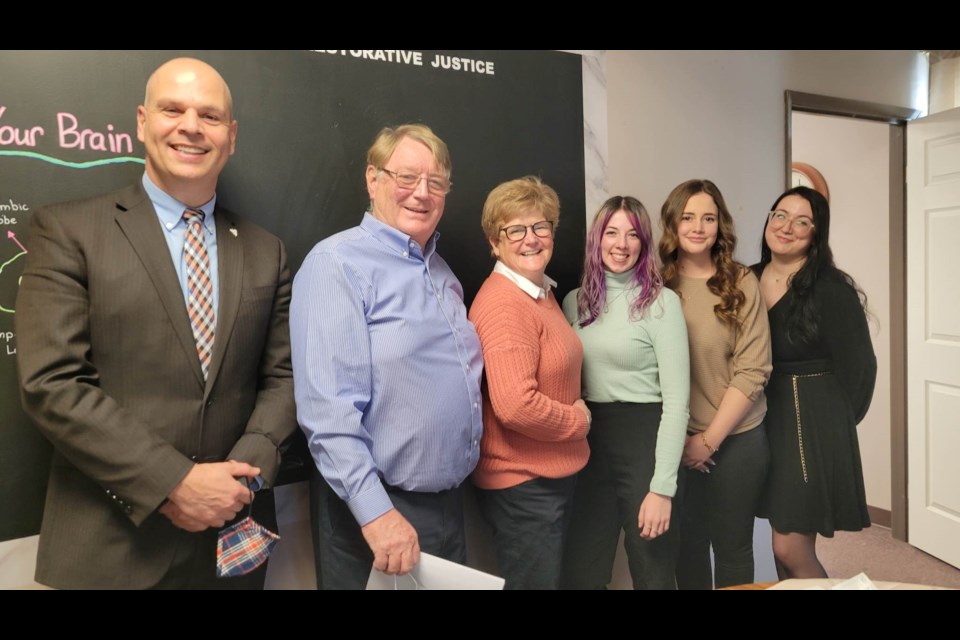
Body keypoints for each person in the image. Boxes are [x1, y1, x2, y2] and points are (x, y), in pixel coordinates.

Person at [16, 57, 297, 589]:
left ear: (231, 137)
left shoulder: (268, 252)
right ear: (143, 122)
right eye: (174, 109)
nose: (192, 126)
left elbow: (284, 379)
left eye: (210, 116)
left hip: (232, 542)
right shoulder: (68, 230)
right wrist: (174, 483)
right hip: (111, 548)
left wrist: (240, 478)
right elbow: (52, 384)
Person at [291, 124, 483, 590]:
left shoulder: (441, 271)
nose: (422, 193)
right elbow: (328, 413)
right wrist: (377, 514)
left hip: (448, 507)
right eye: (407, 178)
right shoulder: (337, 265)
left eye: (435, 183)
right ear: (373, 179)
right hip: (378, 513)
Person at [561, 196, 690, 590]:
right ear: (596, 240)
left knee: (652, 571)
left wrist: (662, 488)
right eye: (611, 232)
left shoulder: (663, 304)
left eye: (632, 234)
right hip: (590, 445)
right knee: (582, 571)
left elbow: (677, 405)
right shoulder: (574, 302)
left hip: (645, 442)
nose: (621, 244)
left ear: (644, 243)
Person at [468, 176, 591, 590]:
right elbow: (516, 405)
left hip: (547, 480)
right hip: (524, 487)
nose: (531, 239)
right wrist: (578, 422)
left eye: (540, 227)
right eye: (514, 229)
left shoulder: (539, 293)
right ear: (494, 241)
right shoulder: (505, 303)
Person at [752, 186, 876, 579]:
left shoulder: (831, 290)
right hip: (759, 420)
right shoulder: (745, 279)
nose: (787, 227)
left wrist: (833, 425)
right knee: (779, 537)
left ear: (816, 233)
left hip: (810, 426)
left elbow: (861, 369)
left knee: (788, 545)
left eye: (802, 221)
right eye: (780, 215)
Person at [658, 179, 772, 589]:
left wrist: (707, 441)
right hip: (676, 438)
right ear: (673, 223)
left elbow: (754, 370)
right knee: (687, 547)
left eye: (708, 217)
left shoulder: (741, 282)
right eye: (688, 217)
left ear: (719, 225)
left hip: (737, 438)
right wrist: (685, 442)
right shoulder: (656, 285)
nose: (698, 227)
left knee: (733, 548)